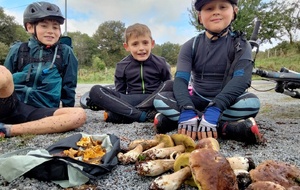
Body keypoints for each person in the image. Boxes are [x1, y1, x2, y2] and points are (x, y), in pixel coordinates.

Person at [153, 0, 264, 144]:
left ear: (234, 12)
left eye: (223, 7)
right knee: (159, 99)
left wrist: (215, 108)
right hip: (197, 100)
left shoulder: (242, 45)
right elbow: (180, 80)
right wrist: (186, 108)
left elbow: (241, 80)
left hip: (225, 103)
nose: (216, 12)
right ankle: (226, 128)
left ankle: (183, 123)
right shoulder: (190, 45)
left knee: (251, 102)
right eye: (209, 8)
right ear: (200, 17)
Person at [0, 2, 86, 138]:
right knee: (2, 72)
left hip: (40, 110)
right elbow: (5, 83)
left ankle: (8, 129)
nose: (51, 31)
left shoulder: (65, 52)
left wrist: (66, 108)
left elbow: (69, 85)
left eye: (56, 27)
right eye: (44, 26)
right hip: (12, 104)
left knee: (78, 115)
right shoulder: (18, 49)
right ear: (29, 27)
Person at [86, 23, 172, 123]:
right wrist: (107, 101)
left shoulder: (161, 63)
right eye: (135, 44)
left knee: (171, 83)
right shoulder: (122, 66)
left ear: (152, 44)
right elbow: (120, 94)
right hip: (131, 99)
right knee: (95, 90)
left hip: (155, 99)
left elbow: (168, 89)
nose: (141, 48)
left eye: (145, 43)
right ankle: (142, 115)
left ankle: (130, 114)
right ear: (127, 46)